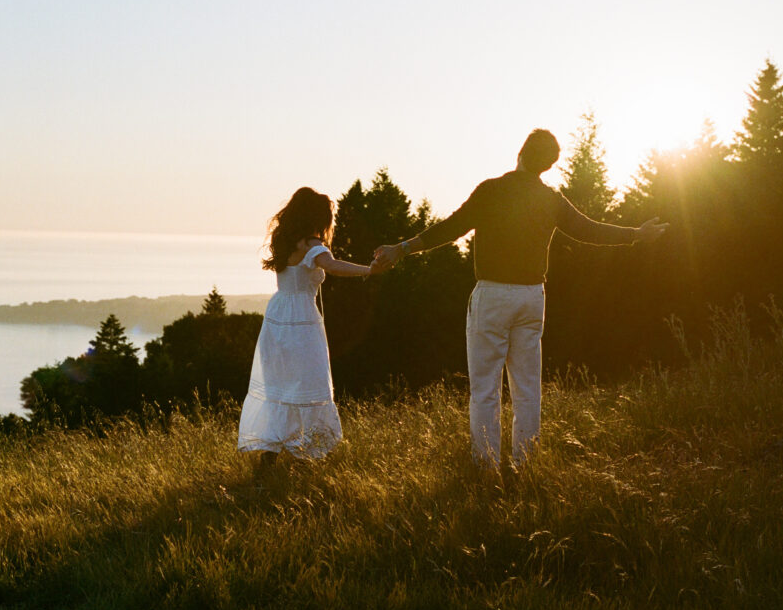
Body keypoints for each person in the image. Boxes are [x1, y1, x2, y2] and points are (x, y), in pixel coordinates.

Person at [373, 129, 668, 469]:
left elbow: (450, 228)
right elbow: (591, 230)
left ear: (522, 152)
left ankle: (486, 469)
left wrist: (403, 248)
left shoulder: (491, 190)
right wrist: (635, 235)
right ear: (549, 165)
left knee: (485, 388)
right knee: (527, 388)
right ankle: (526, 466)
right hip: (532, 297)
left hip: (493, 295)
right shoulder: (552, 200)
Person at [238, 187, 375, 462]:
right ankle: (308, 453)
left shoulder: (284, 241)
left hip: (277, 317)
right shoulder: (312, 244)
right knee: (308, 383)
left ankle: (273, 451)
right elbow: (332, 265)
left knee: (281, 383)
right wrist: (368, 270)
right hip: (302, 320)